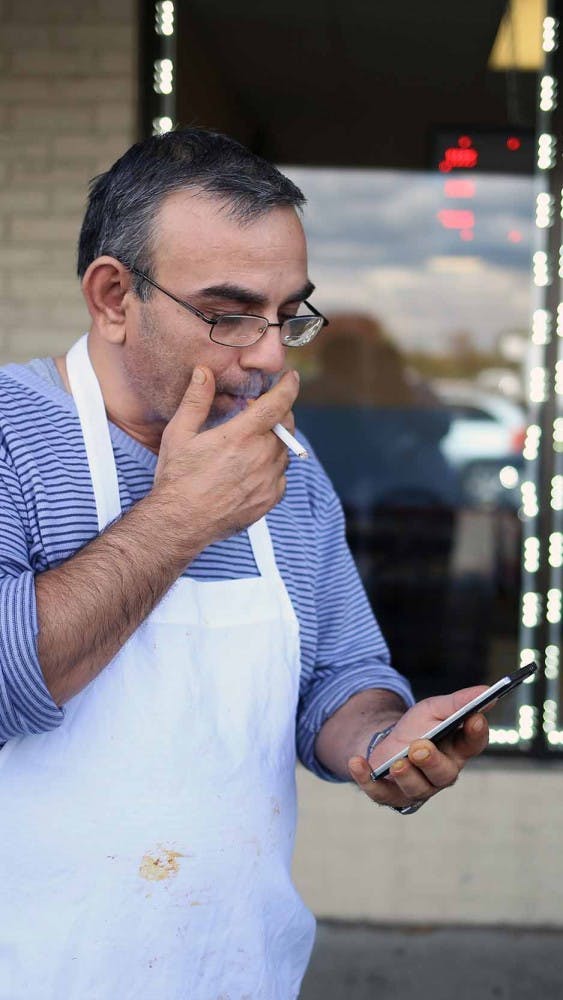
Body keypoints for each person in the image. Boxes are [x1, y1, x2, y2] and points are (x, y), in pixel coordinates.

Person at [0, 128, 489, 1000]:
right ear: (113, 297)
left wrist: (381, 743)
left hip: (234, 968)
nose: (268, 354)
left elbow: (340, 676)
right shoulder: (11, 440)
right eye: (229, 314)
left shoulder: (287, 466)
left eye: (288, 312)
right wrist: (182, 515)